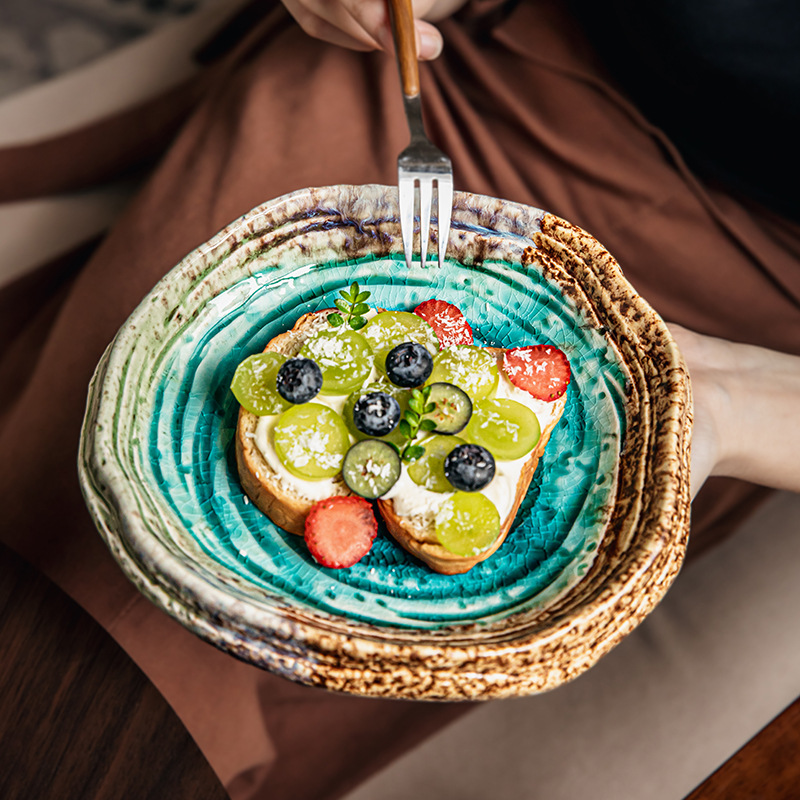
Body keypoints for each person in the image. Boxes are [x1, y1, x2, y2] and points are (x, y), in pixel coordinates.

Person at [0, 0, 798, 798]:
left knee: (245, 702)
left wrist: (737, 398)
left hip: (736, 287)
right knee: (77, 586)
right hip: (457, 89)